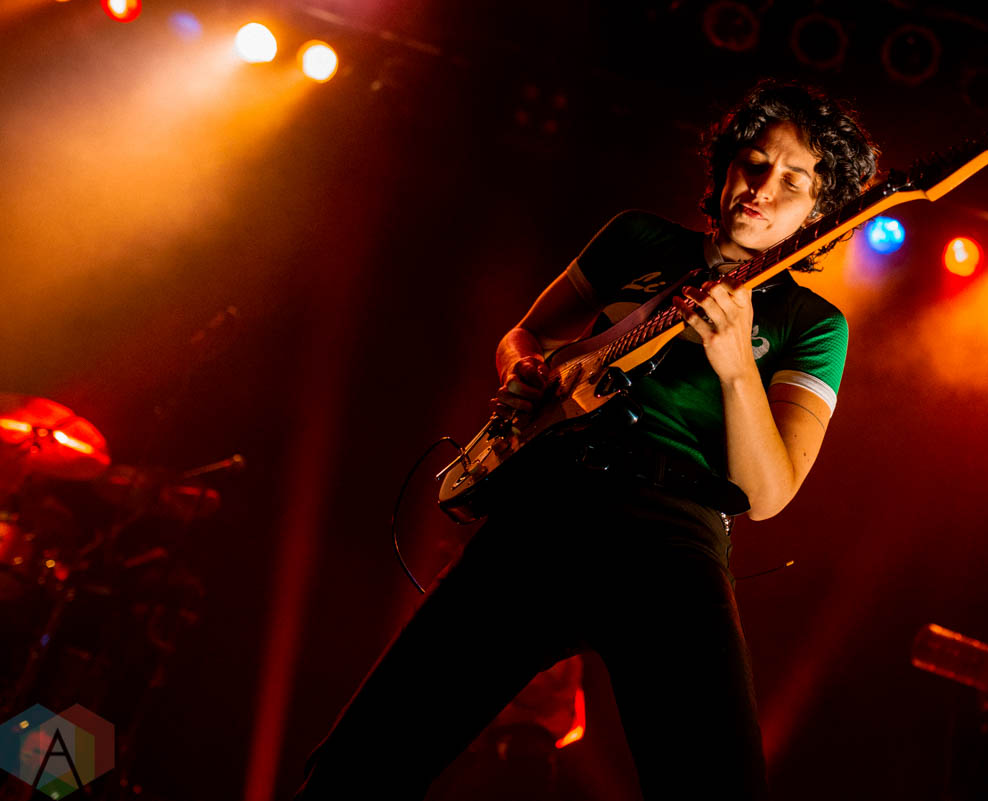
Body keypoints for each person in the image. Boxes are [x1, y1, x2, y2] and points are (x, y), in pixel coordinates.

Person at [294, 79, 876, 800]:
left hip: (673, 537)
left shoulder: (813, 324)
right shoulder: (639, 238)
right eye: (755, 162)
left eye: (793, 180)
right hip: (549, 504)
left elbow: (769, 494)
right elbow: (526, 335)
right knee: (362, 759)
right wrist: (522, 372)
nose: (762, 188)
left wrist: (734, 367)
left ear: (820, 210)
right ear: (727, 164)